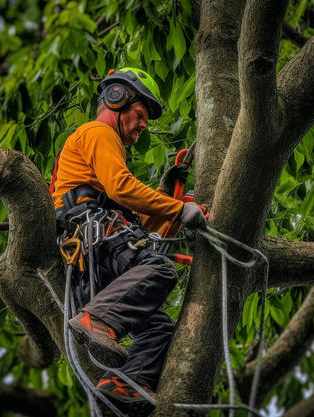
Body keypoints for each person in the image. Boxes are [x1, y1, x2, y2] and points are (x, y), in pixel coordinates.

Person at [52, 68, 206, 413]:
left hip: (101, 264)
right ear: (116, 98)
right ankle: (96, 321)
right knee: (160, 270)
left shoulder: (101, 155)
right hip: (97, 242)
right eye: (140, 115)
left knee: (159, 327)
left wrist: (168, 197)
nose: (143, 125)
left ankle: (123, 383)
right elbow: (122, 187)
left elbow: (140, 221)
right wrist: (180, 211)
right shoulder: (97, 132)